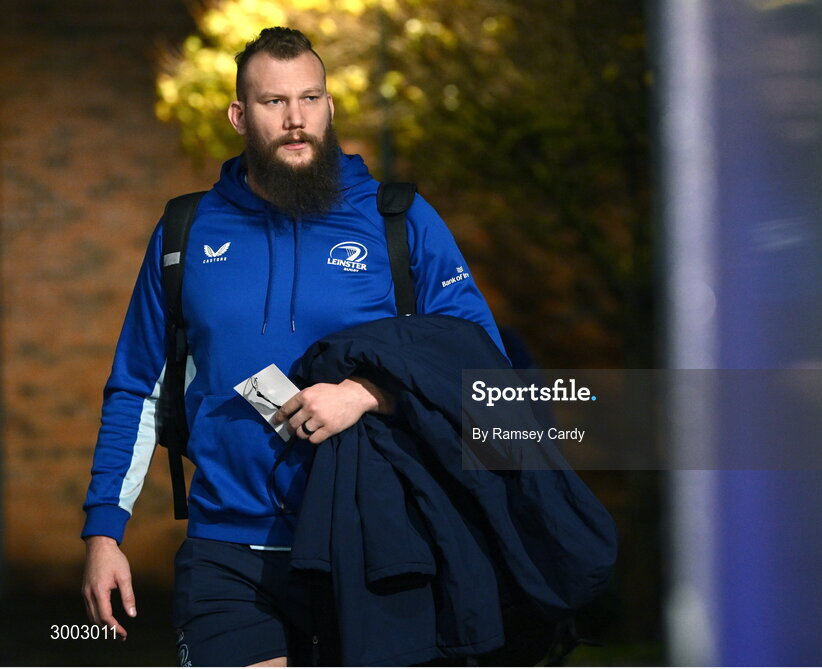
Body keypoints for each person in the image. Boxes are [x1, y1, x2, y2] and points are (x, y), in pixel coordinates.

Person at [81, 27, 505, 666]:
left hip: (370, 543)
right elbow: (137, 387)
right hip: (226, 550)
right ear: (238, 116)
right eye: (274, 102)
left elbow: (478, 362)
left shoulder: (398, 220)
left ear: (330, 108)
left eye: (310, 98)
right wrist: (104, 531)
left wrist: (366, 394)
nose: (296, 118)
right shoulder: (184, 230)